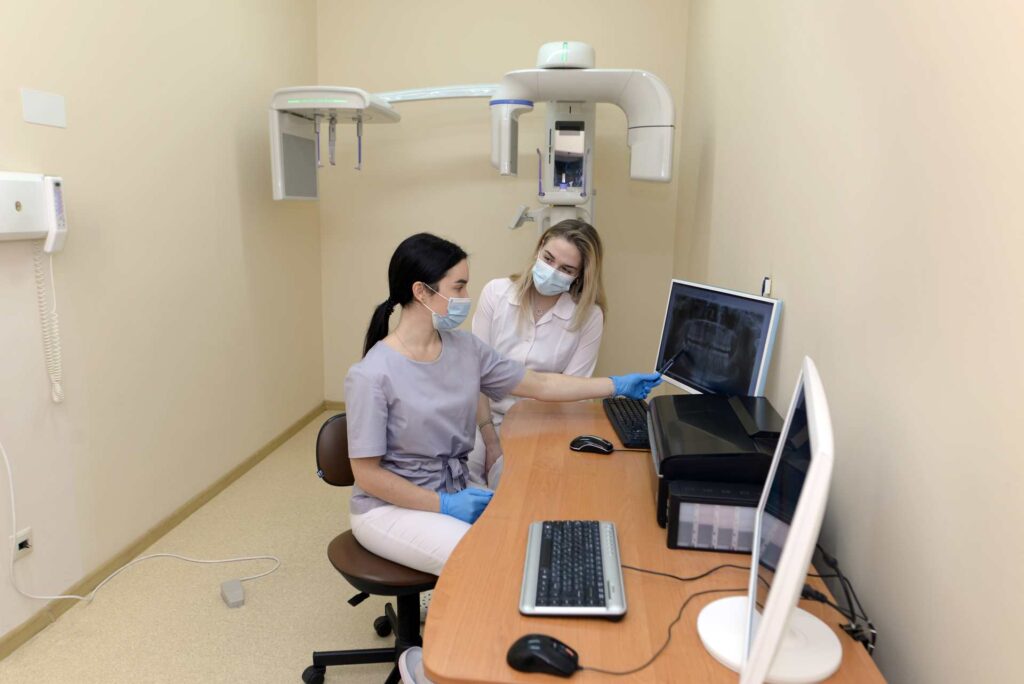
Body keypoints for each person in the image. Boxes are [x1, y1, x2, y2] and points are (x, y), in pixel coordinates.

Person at [344, 232, 660, 578]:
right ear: (422, 292)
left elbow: (539, 383)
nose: (468, 297)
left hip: (452, 489)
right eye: (459, 287)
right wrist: (445, 505)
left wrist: (616, 385)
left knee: (531, 529)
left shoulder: (465, 349)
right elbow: (367, 475)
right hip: (389, 508)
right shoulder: (371, 375)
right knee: (496, 558)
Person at [469, 219, 605, 487]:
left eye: (566, 269)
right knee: (464, 484)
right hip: (479, 418)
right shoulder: (496, 294)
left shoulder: (588, 317)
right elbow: (474, 375)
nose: (552, 271)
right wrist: (490, 440)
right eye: (548, 258)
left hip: (540, 426)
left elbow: (571, 396)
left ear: (580, 275)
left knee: (514, 491)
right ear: (539, 248)